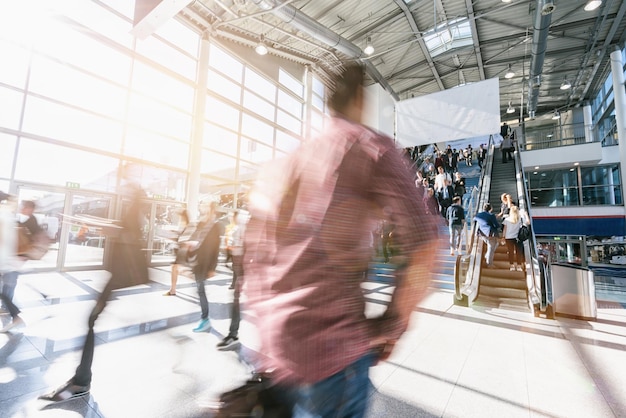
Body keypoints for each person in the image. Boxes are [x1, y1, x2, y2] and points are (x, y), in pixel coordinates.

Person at [242, 62, 439, 417]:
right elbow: (426, 242)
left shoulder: (286, 161)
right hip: (334, 356)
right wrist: (392, 326)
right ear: (362, 99)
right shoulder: (370, 146)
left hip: (275, 352)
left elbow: (253, 253)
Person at [39, 171, 149, 402]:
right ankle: (82, 378)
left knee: (91, 319)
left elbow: (131, 234)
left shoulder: (138, 205)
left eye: (125, 183)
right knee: (91, 320)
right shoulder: (132, 205)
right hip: (119, 271)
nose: (122, 187)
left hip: (124, 271)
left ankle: (82, 380)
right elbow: (122, 228)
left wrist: (107, 229)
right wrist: (95, 223)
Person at [188, 201, 223, 333]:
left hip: (205, 263)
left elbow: (215, 248)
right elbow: (196, 240)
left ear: (211, 210)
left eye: (206, 207)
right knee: (199, 290)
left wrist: (212, 267)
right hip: (198, 261)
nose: (204, 210)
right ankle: (204, 318)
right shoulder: (201, 223)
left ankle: (205, 319)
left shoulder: (215, 226)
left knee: (200, 290)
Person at [216, 210, 247, 350]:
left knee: (237, 298)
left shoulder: (245, 225)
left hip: (246, 264)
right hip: (239, 262)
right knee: (236, 298)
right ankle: (233, 333)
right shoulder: (236, 227)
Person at [0, 192, 25, 333]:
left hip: (4, 260)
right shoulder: (7, 215)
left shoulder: (3, 216)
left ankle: (15, 316)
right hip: (6, 260)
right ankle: (15, 316)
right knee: (3, 292)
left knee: (4, 292)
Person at [164, 209, 193, 296]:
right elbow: (179, 237)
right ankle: (173, 289)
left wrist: (175, 237)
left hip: (183, 251)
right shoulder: (183, 225)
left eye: (181, 216)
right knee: (175, 269)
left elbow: (185, 239)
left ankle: (173, 289)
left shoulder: (188, 226)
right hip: (180, 250)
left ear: (184, 217)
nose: (180, 218)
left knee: (175, 269)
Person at [501, 205, 528, 272]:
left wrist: (503, 237)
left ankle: (512, 266)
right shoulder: (520, 219)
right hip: (518, 238)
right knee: (519, 252)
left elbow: (505, 229)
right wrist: (526, 214)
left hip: (508, 237)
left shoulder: (507, 219)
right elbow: (528, 222)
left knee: (511, 252)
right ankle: (519, 266)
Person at [474, 202, 500, 268]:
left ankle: (487, 255)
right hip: (490, 233)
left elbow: (475, 219)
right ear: (490, 209)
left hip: (482, 233)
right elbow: (496, 225)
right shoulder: (491, 215)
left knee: (495, 244)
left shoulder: (478, 215)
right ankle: (489, 264)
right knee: (491, 248)